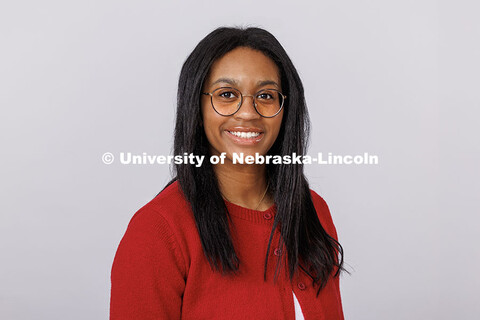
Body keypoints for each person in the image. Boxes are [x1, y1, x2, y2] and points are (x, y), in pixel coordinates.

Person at [110, 26, 346, 320]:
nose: (248, 112)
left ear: (286, 109)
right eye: (226, 94)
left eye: (266, 96)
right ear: (196, 108)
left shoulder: (313, 210)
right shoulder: (157, 231)